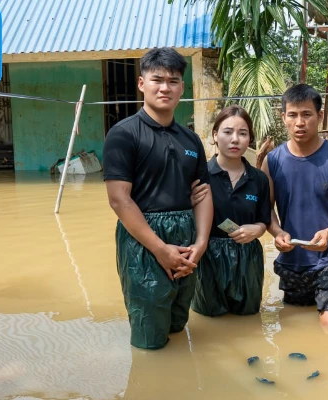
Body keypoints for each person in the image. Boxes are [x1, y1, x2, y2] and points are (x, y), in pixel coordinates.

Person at [102, 47, 213, 350]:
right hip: (144, 240)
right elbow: (119, 200)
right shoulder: (123, 134)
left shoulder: (190, 139)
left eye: (173, 81)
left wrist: (201, 243)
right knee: (150, 334)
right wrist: (160, 249)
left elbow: (202, 193)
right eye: (157, 79)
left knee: (178, 324)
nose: (165, 87)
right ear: (141, 83)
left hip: (187, 238)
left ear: (182, 88)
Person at [260, 83, 328, 327]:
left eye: (307, 114)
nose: (299, 122)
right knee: (291, 326)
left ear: (319, 116)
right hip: (292, 261)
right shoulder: (272, 161)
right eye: (293, 115)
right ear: (283, 117)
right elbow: (267, 210)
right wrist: (277, 233)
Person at [189, 105, 271, 317]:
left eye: (242, 134)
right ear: (215, 135)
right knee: (209, 319)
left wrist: (257, 229)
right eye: (227, 132)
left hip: (248, 258)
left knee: (249, 318)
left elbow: (265, 219)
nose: (235, 139)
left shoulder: (259, 179)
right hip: (208, 255)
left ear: (250, 139)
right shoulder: (199, 176)